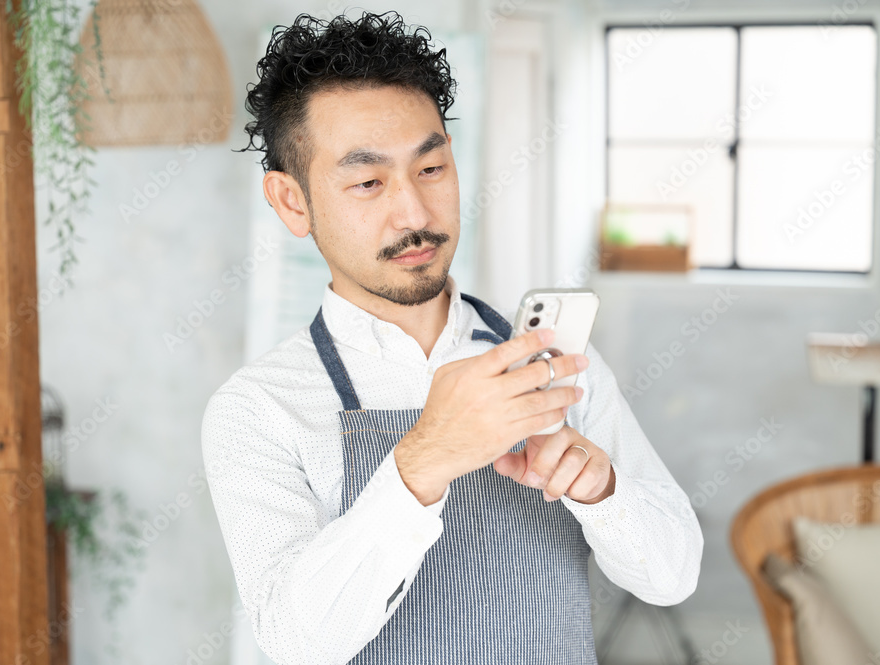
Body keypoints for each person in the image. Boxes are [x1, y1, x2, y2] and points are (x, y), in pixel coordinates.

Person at [203, 10, 702, 665]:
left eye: (431, 168)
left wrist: (603, 491)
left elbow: (672, 576)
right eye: (368, 182)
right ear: (292, 202)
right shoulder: (259, 408)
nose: (413, 213)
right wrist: (422, 462)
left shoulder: (551, 364)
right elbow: (297, 643)